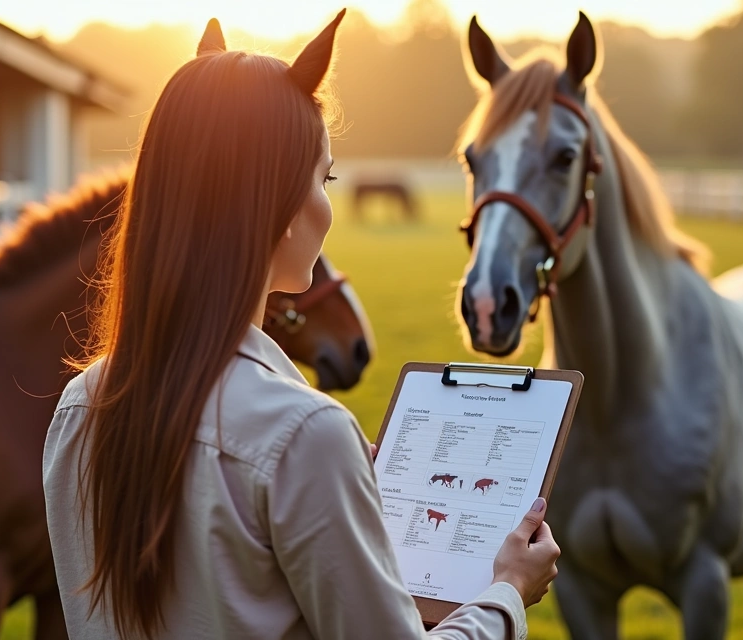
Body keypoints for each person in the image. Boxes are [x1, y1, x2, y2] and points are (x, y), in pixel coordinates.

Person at [42, 11, 559, 640]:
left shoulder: (80, 407)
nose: (328, 203)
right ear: (282, 205)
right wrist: (507, 591)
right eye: (325, 176)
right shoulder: (304, 436)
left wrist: (336, 490)